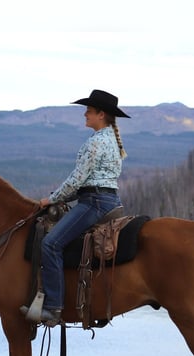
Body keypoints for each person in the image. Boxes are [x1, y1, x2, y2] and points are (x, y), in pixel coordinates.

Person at [36, 89, 130, 327]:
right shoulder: (111, 140)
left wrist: (52, 199)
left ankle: (53, 307)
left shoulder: (95, 142)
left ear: (101, 114)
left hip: (93, 203)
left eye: (88, 110)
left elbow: (77, 179)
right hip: (110, 201)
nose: (85, 114)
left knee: (51, 244)